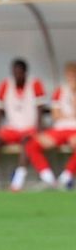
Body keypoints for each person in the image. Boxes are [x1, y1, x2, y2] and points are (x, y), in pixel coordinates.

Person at [0, 58, 48, 192]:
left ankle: (17, 182)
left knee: (27, 144)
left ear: (25, 73)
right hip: (12, 127)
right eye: (14, 73)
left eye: (19, 73)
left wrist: (38, 130)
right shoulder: (5, 85)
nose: (17, 76)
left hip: (30, 128)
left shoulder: (35, 83)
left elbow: (40, 108)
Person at [26, 61, 76, 190]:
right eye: (69, 75)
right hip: (60, 129)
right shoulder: (60, 91)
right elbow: (55, 115)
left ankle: (66, 178)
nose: (71, 79)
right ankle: (48, 178)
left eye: (74, 75)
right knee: (32, 144)